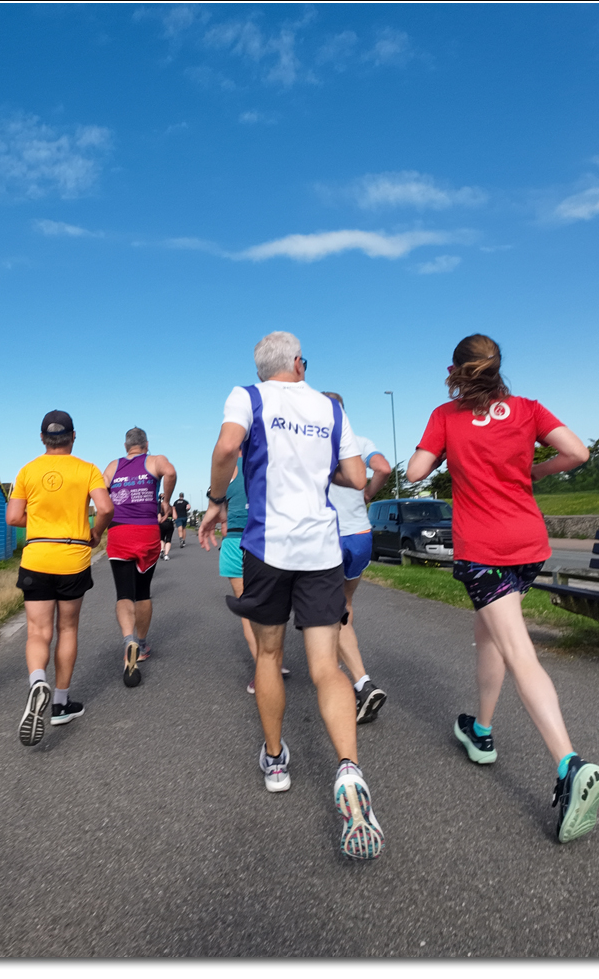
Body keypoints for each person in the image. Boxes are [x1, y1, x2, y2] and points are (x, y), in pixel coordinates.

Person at [406, 333, 599, 844]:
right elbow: (578, 452)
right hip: (529, 544)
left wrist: (443, 457)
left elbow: (412, 473)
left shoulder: (446, 416)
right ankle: (481, 730)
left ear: (455, 371)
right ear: (498, 368)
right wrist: (533, 470)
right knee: (490, 635)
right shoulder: (527, 409)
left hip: (485, 551)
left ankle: (569, 764)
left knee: (518, 650)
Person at [199, 331, 384, 860]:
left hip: (267, 547)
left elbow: (228, 446)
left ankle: (277, 761)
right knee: (326, 666)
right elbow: (354, 475)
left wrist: (215, 499)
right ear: (299, 363)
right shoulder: (329, 408)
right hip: (322, 551)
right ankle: (349, 770)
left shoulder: (248, 396)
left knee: (271, 653)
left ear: (265, 367)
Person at [7, 410, 115, 746]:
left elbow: (13, 517)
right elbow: (106, 508)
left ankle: (38, 680)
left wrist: (39, 522)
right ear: (73, 436)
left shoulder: (27, 470)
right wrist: (94, 532)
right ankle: (60, 703)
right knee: (67, 628)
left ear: (42, 438)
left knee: (39, 631)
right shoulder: (87, 469)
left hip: (37, 555)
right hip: (73, 557)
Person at [323, 392, 393, 724]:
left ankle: (357, 680)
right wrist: (367, 494)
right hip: (361, 536)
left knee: (325, 610)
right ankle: (352, 673)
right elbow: (383, 467)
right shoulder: (361, 441)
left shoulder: (318, 444)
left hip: (329, 536)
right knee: (345, 604)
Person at [103, 428, 176, 683]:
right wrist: (165, 500)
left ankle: (128, 642)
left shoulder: (114, 466)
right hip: (146, 532)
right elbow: (171, 472)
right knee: (142, 591)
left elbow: (101, 492)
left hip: (119, 532)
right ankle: (142, 646)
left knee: (124, 593)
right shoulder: (155, 460)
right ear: (146, 444)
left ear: (126, 446)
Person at [218, 455, 290, 694]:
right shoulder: (269, 461)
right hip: (269, 539)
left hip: (237, 540)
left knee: (248, 610)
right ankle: (275, 662)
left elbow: (220, 513)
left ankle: (264, 670)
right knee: (273, 604)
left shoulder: (228, 469)